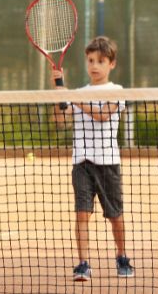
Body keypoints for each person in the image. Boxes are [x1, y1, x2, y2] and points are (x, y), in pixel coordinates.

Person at [50, 36, 134, 282]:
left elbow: (102, 116)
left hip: (108, 163)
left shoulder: (117, 92)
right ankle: (83, 263)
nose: (94, 65)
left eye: (100, 61)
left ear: (112, 64)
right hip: (82, 163)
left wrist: (74, 98)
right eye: (90, 60)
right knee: (81, 214)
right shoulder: (78, 93)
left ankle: (122, 256)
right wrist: (58, 93)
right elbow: (59, 120)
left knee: (115, 215)